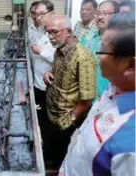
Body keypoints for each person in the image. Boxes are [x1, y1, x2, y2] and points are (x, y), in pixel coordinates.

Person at [59, 12, 135, 176]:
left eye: (102, 52)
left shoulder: (130, 142)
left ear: (130, 65)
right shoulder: (114, 86)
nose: (97, 57)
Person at [43, 15, 97, 168]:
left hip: (67, 123)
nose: (51, 37)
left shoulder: (83, 56)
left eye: (55, 32)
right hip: (54, 117)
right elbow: (58, 73)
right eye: (48, 32)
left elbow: (87, 100)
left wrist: (70, 120)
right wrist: (48, 74)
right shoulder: (59, 50)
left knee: (65, 161)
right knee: (54, 155)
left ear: (68, 32)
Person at [28, 0, 56, 164]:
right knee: (42, 119)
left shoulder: (56, 32)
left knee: (50, 122)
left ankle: (52, 156)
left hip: (50, 86)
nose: (38, 18)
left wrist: (41, 51)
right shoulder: (41, 32)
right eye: (36, 14)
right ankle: (45, 148)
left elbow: (63, 58)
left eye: (41, 14)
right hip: (38, 83)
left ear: (51, 13)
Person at [81, 0, 120, 100]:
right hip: (82, 100)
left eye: (105, 13)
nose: (100, 17)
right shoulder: (87, 38)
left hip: (105, 104)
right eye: (98, 13)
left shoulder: (123, 43)